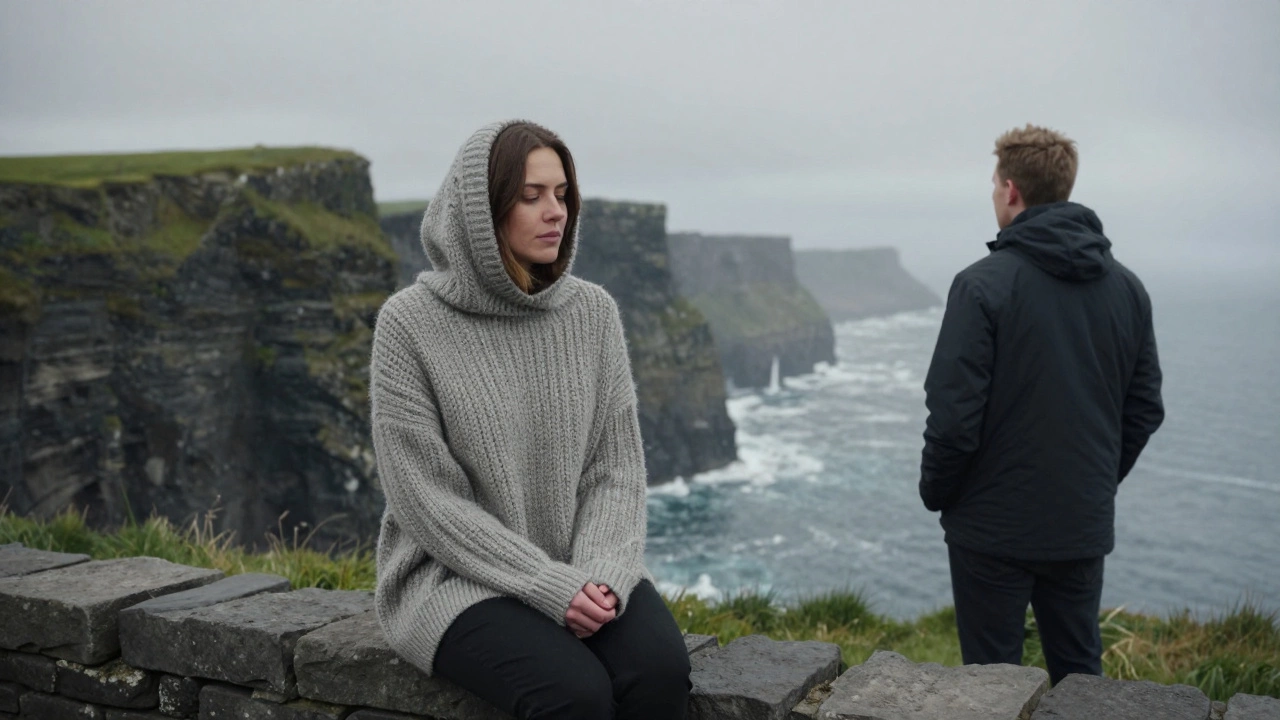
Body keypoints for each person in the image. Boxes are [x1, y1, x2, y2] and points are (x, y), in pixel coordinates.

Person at [369, 120, 691, 719]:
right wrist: (546, 584)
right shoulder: (409, 324)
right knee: (574, 695)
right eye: (530, 195)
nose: (556, 212)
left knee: (662, 674)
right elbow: (426, 500)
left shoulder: (591, 312)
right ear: (480, 209)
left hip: (580, 564)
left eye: (562, 194)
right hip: (455, 575)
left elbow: (614, 470)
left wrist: (599, 574)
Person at [919, 124, 1165, 684]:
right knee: (1080, 677)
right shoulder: (1128, 289)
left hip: (989, 528)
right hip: (1079, 521)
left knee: (991, 685)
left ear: (1010, 190)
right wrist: (1094, 481)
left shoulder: (981, 286)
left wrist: (939, 494)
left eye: (992, 185)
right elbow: (1144, 407)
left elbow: (954, 419)